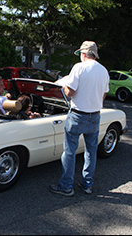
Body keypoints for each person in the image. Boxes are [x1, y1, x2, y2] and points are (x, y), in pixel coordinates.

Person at [49, 40, 109, 196]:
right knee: (91, 151)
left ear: (83, 54)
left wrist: (63, 84)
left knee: (69, 151)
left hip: (77, 115)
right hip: (95, 116)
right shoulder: (104, 71)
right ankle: (87, 184)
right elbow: (103, 96)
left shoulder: (79, 68)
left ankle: (66, 186)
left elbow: (70, 93)